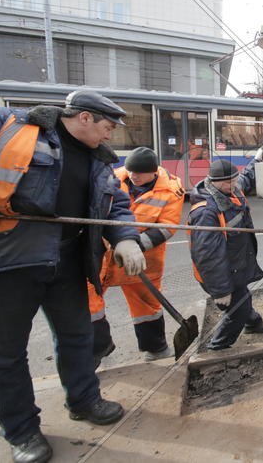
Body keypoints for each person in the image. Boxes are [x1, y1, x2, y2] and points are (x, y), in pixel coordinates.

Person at [0, 91, 146, 463]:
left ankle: (84, 400)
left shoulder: (99, 160)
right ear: (84, 118)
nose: (109, 136)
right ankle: (22, 431)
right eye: (107, 127)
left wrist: (126, 239)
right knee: (5, 353)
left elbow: (117, 204)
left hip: (65, 260)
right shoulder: (7, 126)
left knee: (78, 337)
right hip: (4, 262)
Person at [87, 147, 185, 365]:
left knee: (146, 304)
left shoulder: (171, 189)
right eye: (131, 171)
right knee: (89, 302)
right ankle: (96, 351)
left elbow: (168, 227)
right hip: (101, 253)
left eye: (139, 173)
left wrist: (132, 245)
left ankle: (156, 347)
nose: (133, 176)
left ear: (153, 173)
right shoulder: (112, 177)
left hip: (143, 257)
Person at [188, 151, 263, 350]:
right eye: (229, 183)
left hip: (236, 264)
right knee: (237, 308)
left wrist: (258, 159)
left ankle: (252, 322)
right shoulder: (206, 212)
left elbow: (246, 177)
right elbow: (208, 257)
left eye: (234, 181)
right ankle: (218, 347)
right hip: (222, 272)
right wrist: (221, 290)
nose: (234, 185)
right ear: (215, 182)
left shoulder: (232, 189)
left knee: (242, 296)